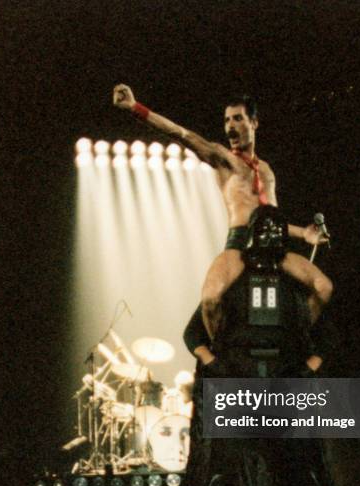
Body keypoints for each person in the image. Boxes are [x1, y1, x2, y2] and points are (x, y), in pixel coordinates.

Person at [177, 206, 350, 486]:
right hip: (239, 383)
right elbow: (195, 331)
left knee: (303, 470)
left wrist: (306, 368)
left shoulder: (294, 288)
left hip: (281, 384)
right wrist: (216, 365)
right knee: (222, 471)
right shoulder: (230, 281)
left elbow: (327, 335)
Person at [113, 84, 332, 339]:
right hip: (239, 243)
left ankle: (294, 341)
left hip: (274, 245)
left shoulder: (267, 171)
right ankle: (221, 361)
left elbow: (270, 218)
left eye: (238, 118)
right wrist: (134, 108)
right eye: (227, 120)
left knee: (323, 287)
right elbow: (182, 134)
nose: (230, 125)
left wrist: (305, 234)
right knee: (210, 299)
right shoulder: (223, 159)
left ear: (254, 122)